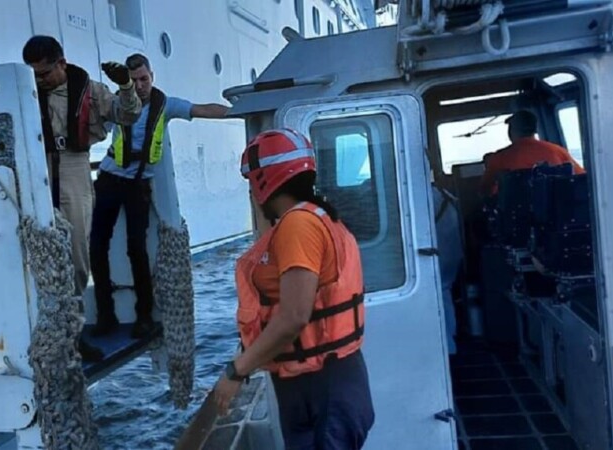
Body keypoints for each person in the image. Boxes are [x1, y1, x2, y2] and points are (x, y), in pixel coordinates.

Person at [214, 129, 375, 449]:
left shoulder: (298, 226)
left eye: (251, 184)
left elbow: (294, 316)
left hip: (323, 389)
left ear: (263, 181)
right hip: (330, 382)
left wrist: (235, 372)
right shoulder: (320, 217)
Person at [89, 53, 232, 339]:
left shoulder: (165, 105)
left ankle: (144, 315)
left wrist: (240, 111)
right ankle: (105, 314)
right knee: (97, 245)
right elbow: (95, 128)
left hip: (138, 184)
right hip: (109, 179)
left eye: (144, 79)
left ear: (152, 76)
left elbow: (202, 109)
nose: (140, 86)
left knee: (137, 249)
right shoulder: (117, 104)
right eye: (135, 81)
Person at [22, 35, 142, 296]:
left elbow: (127, 115)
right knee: (35, 236)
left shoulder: (92, 91)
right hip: (35, 163)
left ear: (62, 63)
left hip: (73, 163)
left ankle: (73, 309)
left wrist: (126, 86)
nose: (40, 80)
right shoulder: (24, 92)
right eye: (35, 75)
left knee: (76, 239)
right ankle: (45, 309)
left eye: (44, 73)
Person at [480, 110, 584, 195]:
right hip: (559, 215)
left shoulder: (499, 158)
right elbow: (581, 178)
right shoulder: (558, 151)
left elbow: (485, 191)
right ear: (535, 130)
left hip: (517, 218)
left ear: (511, 131)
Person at [433, 185, 463, 354]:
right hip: (452, 252)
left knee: (441, 292)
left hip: (441, 253)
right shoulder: (443, 193)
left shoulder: (422, 196)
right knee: (445, 291)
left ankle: (448, 345)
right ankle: (450, 337)